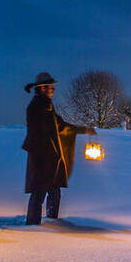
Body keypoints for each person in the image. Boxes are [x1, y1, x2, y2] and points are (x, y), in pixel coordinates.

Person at [22, 72, 95, 225]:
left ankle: (51, 222)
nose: (53, 90)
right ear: (42, 88)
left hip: (49, 158)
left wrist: (83, 130)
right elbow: (41, 133)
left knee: (53, 191)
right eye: (51, 87)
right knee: (39, 192)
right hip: (42, 158)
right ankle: (33, 225)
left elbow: (61, 126)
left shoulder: (46, 105)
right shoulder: (37, 106)